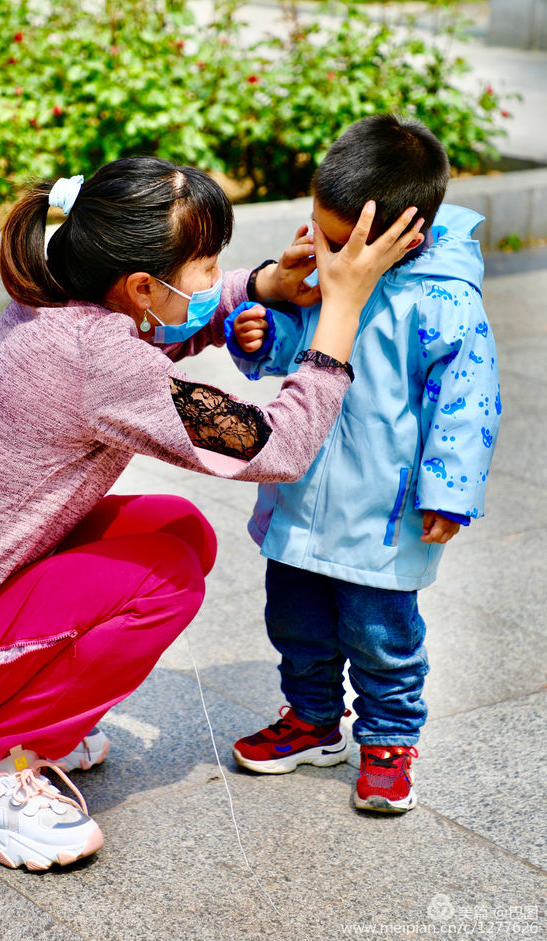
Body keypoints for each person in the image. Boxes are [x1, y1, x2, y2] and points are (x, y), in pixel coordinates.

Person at [0, 155, 422, 871]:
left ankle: (16, 712)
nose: (215, 279)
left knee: (178, 530)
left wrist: (265, 286)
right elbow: (278, 444)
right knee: (166, 580)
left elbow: (164, 329)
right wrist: (341, 310)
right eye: (208, 265)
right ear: (142, 284)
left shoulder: (63, 303)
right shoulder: (100, 359)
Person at [226, 115, 501, 813]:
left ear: (406, 234)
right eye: (321, 230)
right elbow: (299, 345)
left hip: (386, 508)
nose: (327, 251)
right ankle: (313, 719)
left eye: (343, 240)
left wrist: (450, 490)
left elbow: (466, 402)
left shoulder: (444, 302)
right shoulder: (324, 263)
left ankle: (388, 737)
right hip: (303, 492)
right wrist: (264, 331)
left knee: (382, 634)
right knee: (295, 621)